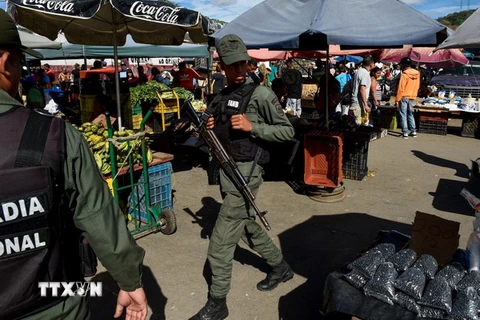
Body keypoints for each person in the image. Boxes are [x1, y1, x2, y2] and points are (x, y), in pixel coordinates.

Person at [0, 10, 147, 320]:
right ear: (5, 62)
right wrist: (129, 280)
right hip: (52, 304)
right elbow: (96, 213)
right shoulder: (52, 135)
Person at [190, 34, 295, 320]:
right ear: (222, 66)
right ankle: (281, 268)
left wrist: (254, 127)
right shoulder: (221, 96)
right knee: (248, 226)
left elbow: (288, 132)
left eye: (242, 64)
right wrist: (208, 125)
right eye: (232, 66)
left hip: (247, 175)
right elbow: (210, 132)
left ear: (248, 63)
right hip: (226, 173)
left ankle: (218, 302)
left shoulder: (261, 94)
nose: (238, 71)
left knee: (221, 242)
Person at [396, 56, 420, 139]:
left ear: (403, 65)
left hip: (404, 96)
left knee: (403, 114)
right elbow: (417, 86)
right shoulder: (417, 73)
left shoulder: (404, 74)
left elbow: (401, 88)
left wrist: (397, 99)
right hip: (412, 96)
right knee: (410, 113)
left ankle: (405, 132)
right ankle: (413, 131)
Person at [350, 55, 375, 125]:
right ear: (371, 65)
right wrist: (366, 105)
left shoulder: (358, 72)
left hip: (356, 102)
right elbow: (362, 89)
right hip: (358, 103)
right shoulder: (365, 73)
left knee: (357, 125)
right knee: (357, 126)